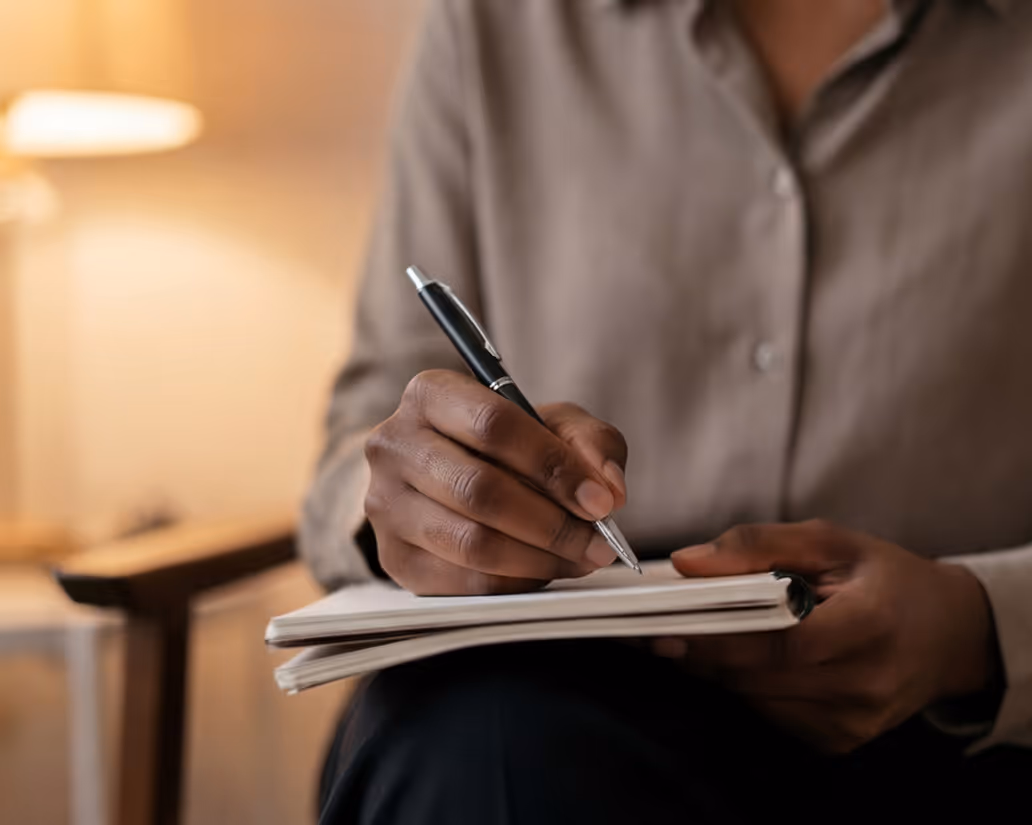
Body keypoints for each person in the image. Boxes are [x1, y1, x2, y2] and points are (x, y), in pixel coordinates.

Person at [302, 1, 1032, 822]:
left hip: (966, 716)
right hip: (542, 704)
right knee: (482, 746)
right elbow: (370, 423)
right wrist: (420, 506)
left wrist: (982, 622)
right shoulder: (495, 25)